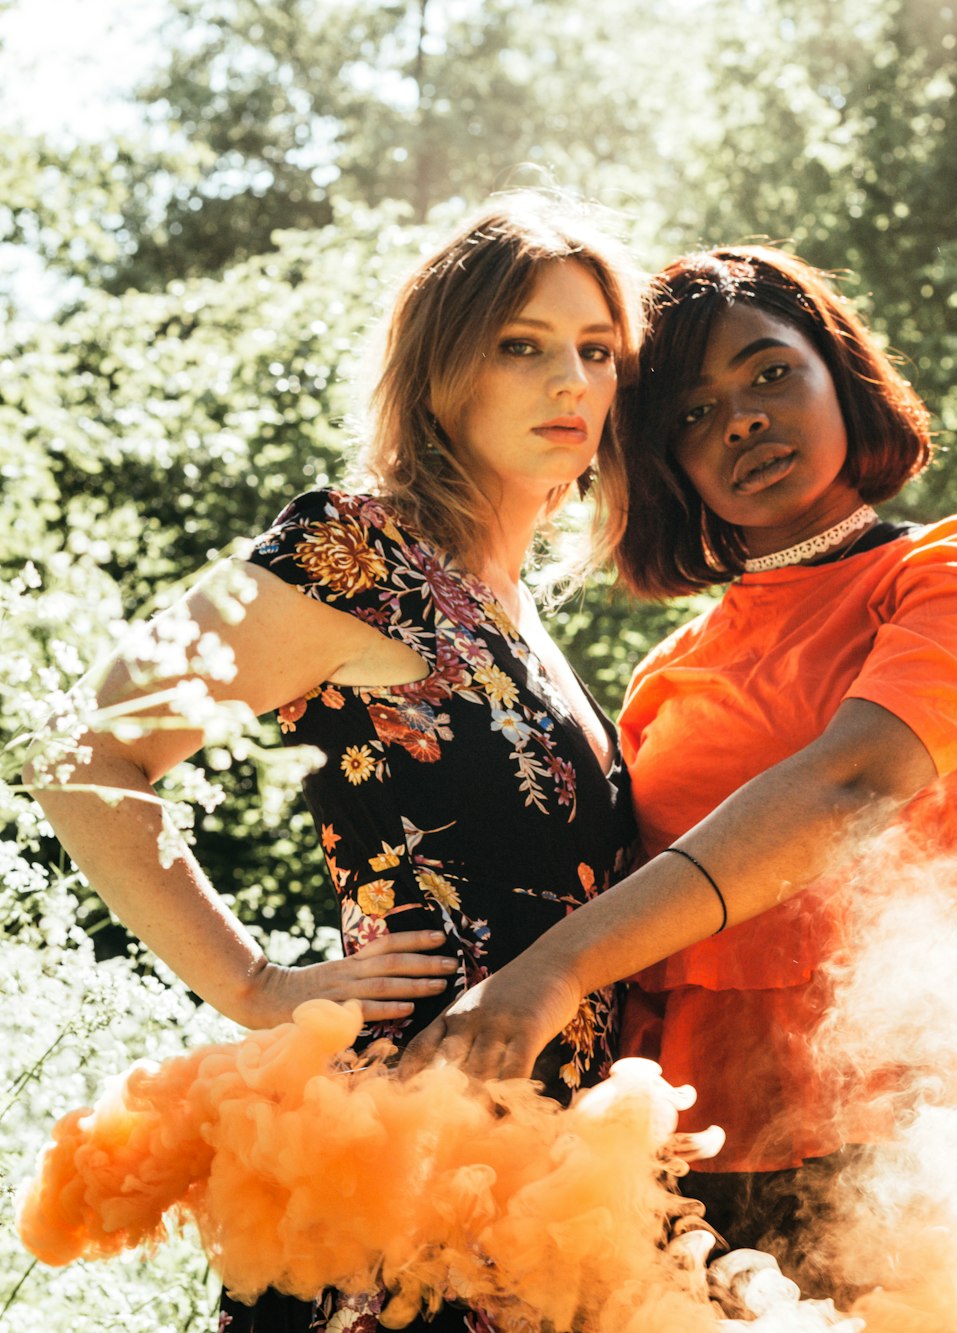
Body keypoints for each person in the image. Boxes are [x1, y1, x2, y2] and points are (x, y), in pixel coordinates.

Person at [24, 194, 644, 1332]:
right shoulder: (351, 547)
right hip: (392, 1169)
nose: (573, 381)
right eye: (524, 345)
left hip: (543, 1191)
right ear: (442, 367)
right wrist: (255, 984)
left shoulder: (522, 612)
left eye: (596, 350)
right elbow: (85, 745)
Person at [403, 245, 957, 1281]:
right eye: (690, 412)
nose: (740, 420)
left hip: (929, 1147)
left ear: (839, 373)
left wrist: (551, 967)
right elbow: (644, 944)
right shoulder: (669, 675)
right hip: (706, 1189)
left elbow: (851, 782)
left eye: (769, 372)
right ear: (660, 457)